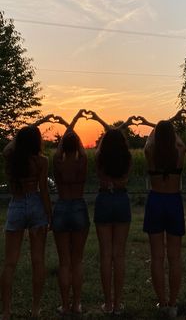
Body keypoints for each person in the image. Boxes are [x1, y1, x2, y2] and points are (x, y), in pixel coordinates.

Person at [0, 120, 52, 320]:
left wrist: (22, 134)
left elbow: (8, 147)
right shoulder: (42, 161)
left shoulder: (11, 158)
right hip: (36, 204)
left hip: (17, 204)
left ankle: (6, 311)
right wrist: (49, 214)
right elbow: (44, 190)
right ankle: (36, 309)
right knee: (38, 261)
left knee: (10, 263)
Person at [141, 110, 186, 318]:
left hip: (156, 201)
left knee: (157, 257)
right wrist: (171, 125)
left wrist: (156, 128)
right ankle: (173, 304)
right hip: (174, 202)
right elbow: (180, 144)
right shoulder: (179, 153)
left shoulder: (151, 154)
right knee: (175, 258)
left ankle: (162, 302)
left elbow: (149, 144)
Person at [90, 111, 132, 315]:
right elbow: (123, 180)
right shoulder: (127, 157)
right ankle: (118, 304)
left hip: (104, 200)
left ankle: (107, 304)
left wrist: (99, 120)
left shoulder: (100, 157)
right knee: (119, 254)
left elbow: (105, 144)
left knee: (105, 255)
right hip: (122, 200)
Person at [52, 110, 90, 317]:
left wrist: (70, 125)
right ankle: (77, 305)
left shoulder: (57, 162)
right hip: (78, 207)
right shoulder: (82, 161)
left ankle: (64, 306)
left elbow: (60, 151)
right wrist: (75, 129)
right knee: (77, 260)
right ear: (77, 147)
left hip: (61, 207)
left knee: (64, 261)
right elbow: (82, 150)